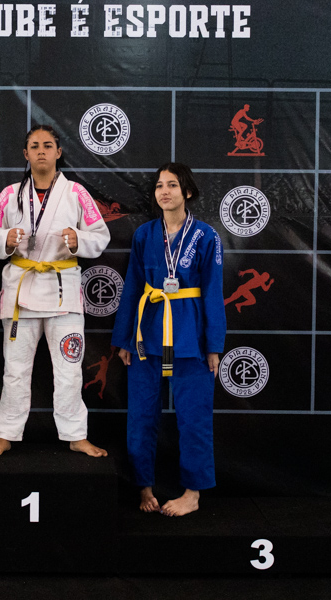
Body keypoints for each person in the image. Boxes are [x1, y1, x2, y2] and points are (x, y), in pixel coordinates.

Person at [0, 124, 110, 458]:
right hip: (21, 293)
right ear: (26, 153)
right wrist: (4, 240)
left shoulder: (76, 193)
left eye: (47, 145)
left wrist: (79, 240)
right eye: (34, 146)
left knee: (69, 370)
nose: (41, 151)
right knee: (15, 370)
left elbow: (100, 235)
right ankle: (6, 434)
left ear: (58, 152)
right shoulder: (9, 194)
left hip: (63, 293)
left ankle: (76, 434)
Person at [111, 163, 226, 516]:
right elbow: (132, 287)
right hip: (146, 333)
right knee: (141, 416)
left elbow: (213, 292)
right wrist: (124, 339)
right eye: (160, 185)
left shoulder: (206, 236)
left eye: (172, 185)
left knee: (194, 417)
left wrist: (214, 346)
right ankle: (143, 487)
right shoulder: (145, 234)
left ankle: (192, 493)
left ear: (187, 192)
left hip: (190, 335)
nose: (164, 191)